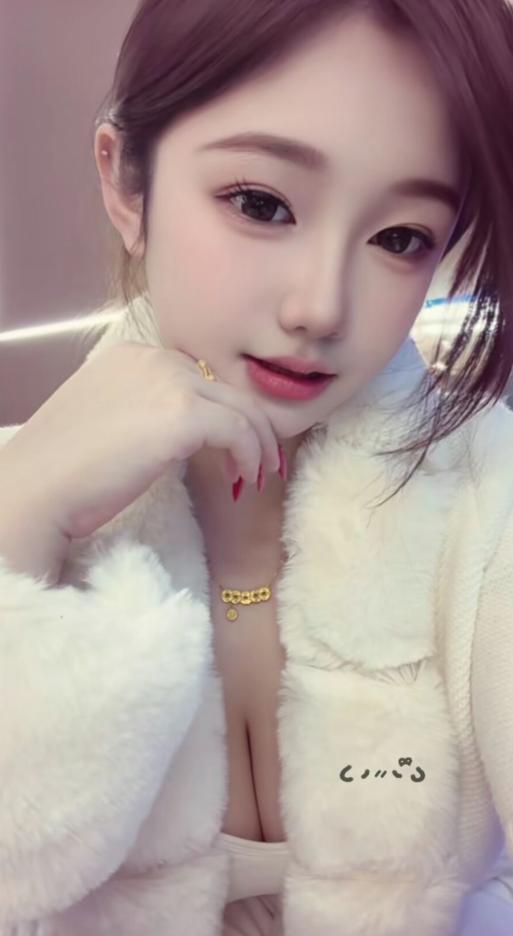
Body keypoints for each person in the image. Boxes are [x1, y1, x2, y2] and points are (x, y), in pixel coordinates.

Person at [0, 0, 513, 933]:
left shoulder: (488, 491)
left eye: (400, 238)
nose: (321, 307)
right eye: (261, 203)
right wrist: (18, 514)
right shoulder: (17, 486)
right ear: (126, 184)